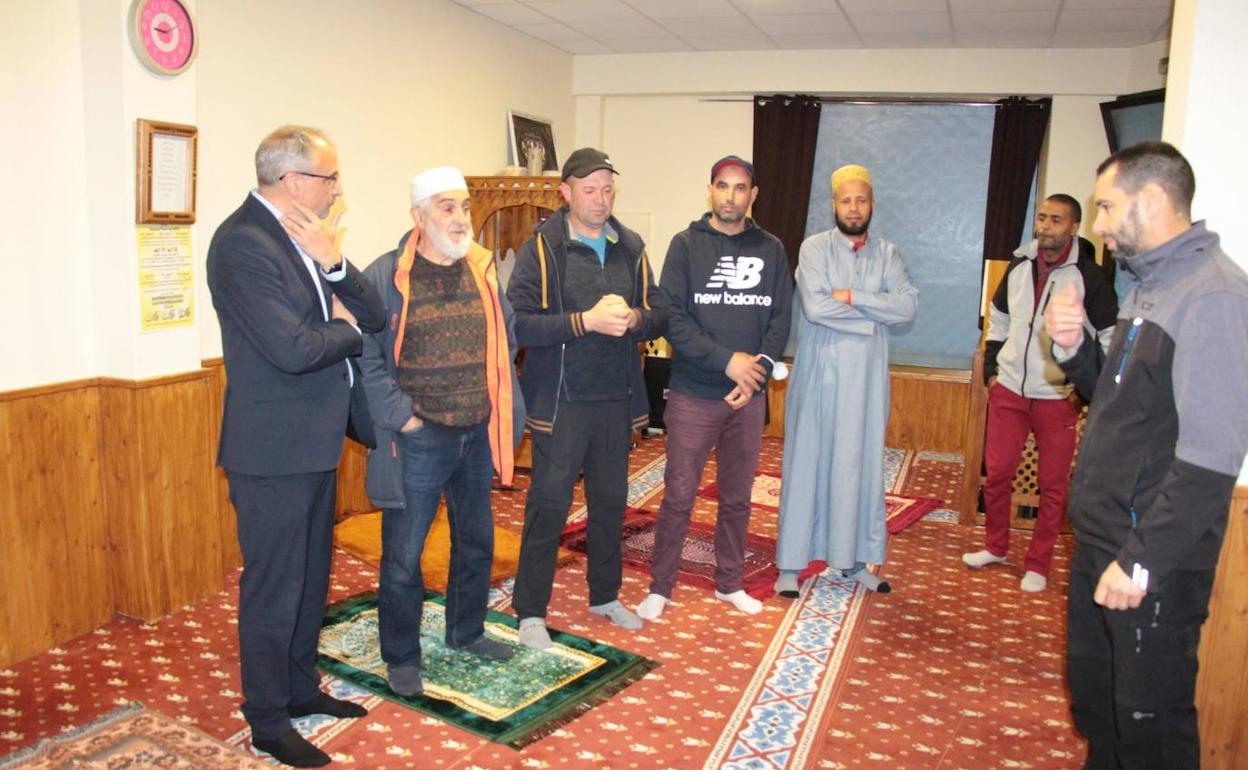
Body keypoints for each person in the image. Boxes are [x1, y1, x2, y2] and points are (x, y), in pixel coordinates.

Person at [1046, 141, 1248, 768]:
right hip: (1104, 543)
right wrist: (1075, 350)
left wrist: (1139, 564)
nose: (1098, 223)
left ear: (1153, 199)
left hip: (1148, 560)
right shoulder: (1148, 284)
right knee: (1100, 708)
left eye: (1107, 206)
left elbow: (1211, 461)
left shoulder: (1213, 296)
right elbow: (1119, 404)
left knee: (1149, 728)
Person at [206, 126, 385, 768]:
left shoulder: (308, 237)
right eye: (329, 177)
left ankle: (300, 688)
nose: (336, 190)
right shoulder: (242, 244)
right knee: (274, 586)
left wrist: (334, 265)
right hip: (271, 451)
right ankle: (266, 718)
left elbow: (377, 313)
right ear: (293, 180)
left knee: (310, 578)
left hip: (313, 442)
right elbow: (292, 348)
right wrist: (345, 331)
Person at [358, 167, 522, 698]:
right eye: (447, 207)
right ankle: (402, 656)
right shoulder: (386, 275)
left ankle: (466, 632)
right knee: (404, 554)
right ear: (418, 216)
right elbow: (365, 355)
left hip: (476, 431)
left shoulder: (481, 268)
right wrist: (402, 415)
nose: (460, 218)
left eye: (465, 208)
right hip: (420, 438)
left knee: (476, 541)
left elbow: (506, 335)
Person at [507, 147, 663, 649]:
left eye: (607, 190)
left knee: (611, 503)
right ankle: (530, 610)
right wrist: (585, 322)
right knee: (549, 505)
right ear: (566, 192)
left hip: (615, 398)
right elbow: (520, 323)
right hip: (561, 402)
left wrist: (634, 319)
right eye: (590, 190)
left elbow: (659, 313)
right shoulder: (542, 249)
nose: (600, 199)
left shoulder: (630, 246)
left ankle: (605, 595)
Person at [635, 155, 792, 620]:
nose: (730, 196)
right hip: (693, 393)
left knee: (737, 497)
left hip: (749, 396)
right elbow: (673, 320)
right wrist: (728, 362)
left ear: (753, 195)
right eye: (722, 186)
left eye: (740, 188)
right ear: (710, 191)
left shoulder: (772, 249)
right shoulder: (686, 246)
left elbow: (781, 318)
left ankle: (729, 583)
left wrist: (757, 371)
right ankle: (661, 586)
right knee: (679, 494)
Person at [774, 164, 918, 597]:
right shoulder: (815, 248)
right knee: (807, 462)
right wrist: (873, 317)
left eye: (861, 200)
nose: (853, 208)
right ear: (833, 205)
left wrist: (852, 296)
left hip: (867, 381)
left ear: (872, 205)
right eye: (845, 200)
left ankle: (853, 560)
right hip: (820, 374)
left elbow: (907, 308)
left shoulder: (889, 254)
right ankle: (790, 563)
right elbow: (816, 308)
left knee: (859, 465)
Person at [962, 195, 1117, 592]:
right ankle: (996, 546)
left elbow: (1109, 337)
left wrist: (1085, 389)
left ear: (1074, 227)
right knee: (998, 474)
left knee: (1052, 485)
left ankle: (1038, 563)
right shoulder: (1018, 265)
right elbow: (998, 318)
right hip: (1010, 390)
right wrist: (993, 372)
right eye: (1042, 218)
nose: (1046, 226)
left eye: (1056, 220)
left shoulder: (1090, 276)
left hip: (1057, 395)